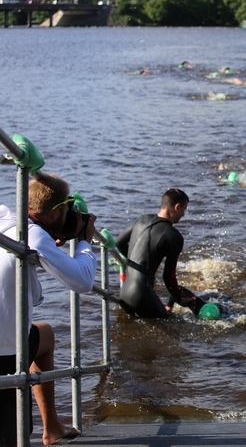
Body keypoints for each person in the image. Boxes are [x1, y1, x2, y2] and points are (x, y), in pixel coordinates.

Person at [1, 173, 97, 446]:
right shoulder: (33, 235)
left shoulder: (8, 221)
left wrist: (50, 239)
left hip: (7, 335)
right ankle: (47, 430)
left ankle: (52, 427)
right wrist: (83, 241)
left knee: (44, 335)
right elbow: (83, 281)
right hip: (5, 351)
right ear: (56, 211)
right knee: (12, 436)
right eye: (68, 208)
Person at [116, 188, 200, 319]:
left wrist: (133, 263)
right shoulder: (174, 236)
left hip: (125, 292)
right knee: (174, 327)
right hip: (142, 296)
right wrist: (178, 299)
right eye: (184, 209)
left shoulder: (141, 220)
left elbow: (119, 242)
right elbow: (169, 276)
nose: (184, 214)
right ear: (177, 207)